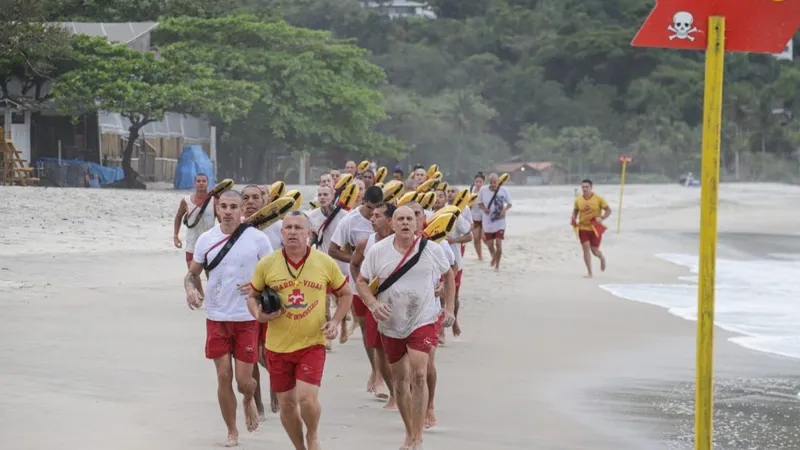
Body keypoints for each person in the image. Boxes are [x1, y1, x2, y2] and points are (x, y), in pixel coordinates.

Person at [248, 211, 353, 450]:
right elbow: (253, 296)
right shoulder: (267, 264)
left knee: (306, 399)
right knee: (286, 404)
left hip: (312, 342)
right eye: (288, 228)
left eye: (298, 228)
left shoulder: (324, 262)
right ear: (282, 233)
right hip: (277, 346)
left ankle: (313, 434)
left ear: (309, 233)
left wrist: (336, 321)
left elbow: (345, 293)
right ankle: (300, 447)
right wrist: (258, 314)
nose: (293, 232)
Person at [356, 205, 455, 450]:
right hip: (391, 323)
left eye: (410, 219)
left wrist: (450, 308)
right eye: (400, 219)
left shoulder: (431, 249)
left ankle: (418, 437)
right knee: (401, 381)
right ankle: (409, 432)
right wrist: (372, 303)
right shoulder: (378, 251)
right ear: (392, 224)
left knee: (419, 373)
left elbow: (449, 275)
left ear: (418, 223)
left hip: (423, 319)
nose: (405, 223)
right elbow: (362, 280)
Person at [183, 190, 274, 447]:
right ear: (217, 208)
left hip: (246, 317)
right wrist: (191, 289)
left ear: (242, 209)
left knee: (244, 382)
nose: (228, 211)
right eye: (223, 206)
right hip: (216, 316)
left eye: (234, 206)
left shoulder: (257, 239)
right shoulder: (205, 239)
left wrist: (258, 287)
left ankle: (248, 400)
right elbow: (192, 274)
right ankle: (232, 431)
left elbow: (273, 277)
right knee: (223, 375)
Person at [328, 186, 388, 397]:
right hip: (358, 282)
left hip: (385, 283)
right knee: (366, 329)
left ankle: (382, 375)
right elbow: (333, 250)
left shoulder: (387, 217)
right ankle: (375, 369)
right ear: (363, 201)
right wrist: (358, 261)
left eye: (378, 209)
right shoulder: (350, 221)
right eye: (371, 209)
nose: (374, 214)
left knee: (383, 329)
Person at [406, 200, 456, 429]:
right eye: (406, 215)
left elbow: (450, 274)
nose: (412, 219)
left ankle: (429, 406)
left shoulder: (437, 246)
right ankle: (413, 404)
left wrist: (447, 304)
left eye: (417, 214)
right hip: (400, 315)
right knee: (406, 368)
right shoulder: (389, 246)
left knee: (426, 365)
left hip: (429, 313)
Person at [349, 203, 398, 410]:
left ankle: (406, 387)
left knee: (398, 350)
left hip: (400, 304)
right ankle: (393, 393)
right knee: (377, 348)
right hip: (375, 303)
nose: (372, 218)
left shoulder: (404, 242)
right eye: (372, 215)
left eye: (377, 216)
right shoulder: (365, 243)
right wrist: (364, 291)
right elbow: (354, 264)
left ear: (389, 220)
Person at [241, 185, 280, 418]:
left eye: (257, 197)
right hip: (243, 302)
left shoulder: (280, 227)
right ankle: (257, 405)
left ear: (267, 200)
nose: (251, 202)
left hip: (271, 298)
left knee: (270, 353)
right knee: (250, 355)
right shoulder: (235, 227)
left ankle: (276, 387)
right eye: (246, 198)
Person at [307, 185, 351, 347]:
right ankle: (327, 335)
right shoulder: (312, 216)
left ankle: (344, 325)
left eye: (326, 194)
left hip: (339, 263)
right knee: (323, 299)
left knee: (340, 297)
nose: (322, 197)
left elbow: (348, 240)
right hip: (321, 261)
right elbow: (311, 237)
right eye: (320, 194)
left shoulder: (344, 216)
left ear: (333, 196)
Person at [438, 188, 472, 337]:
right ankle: (440, 331)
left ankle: (454, 320)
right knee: (439, 296)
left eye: (441, 196)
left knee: (454, 296)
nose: (438, 199)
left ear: (446, 199)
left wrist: (454, 240)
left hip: (454, 262)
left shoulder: (454, 215)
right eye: (435, 196)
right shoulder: (426, 215)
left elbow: (469, 236)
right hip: (436, 264)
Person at [173, 173, 216, 269]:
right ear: (194, 183)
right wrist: (176, 236)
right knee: (192, 275)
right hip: (192, 244)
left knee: (210, 275)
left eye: (204, 181)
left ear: (207, 183)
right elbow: (178, 217)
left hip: (210, 244)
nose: (201, 183)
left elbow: (223, 221)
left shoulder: (215, 200)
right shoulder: (186, 201)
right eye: (198, 181)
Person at [571, 179, 611, 278]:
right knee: (585, 248)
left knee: (594, 250)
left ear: (591, 187)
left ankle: (601, 258)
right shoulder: (578, 200)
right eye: (583, 187)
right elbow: (575, 211)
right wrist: (573, 219)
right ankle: (590, 272)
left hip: (595, 228)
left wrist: (602, 218)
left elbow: (608, 210)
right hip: (583, 228)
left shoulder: (598, 199)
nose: (584, 189)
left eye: (586, 187)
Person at [478, 173, 512, 271]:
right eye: (491, 182)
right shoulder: (483, 190)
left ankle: (497, 264)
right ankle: (494, 257)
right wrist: (484, 209)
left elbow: (509, 204)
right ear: (489, 182)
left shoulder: (503, 190)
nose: (493, 184)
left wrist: (504, 211)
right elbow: (479, 203)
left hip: (500, 222)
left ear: (498, 181)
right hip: (487, 222)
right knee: (489, 245)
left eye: (495, 182)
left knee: (498, 244)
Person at [469, 172, 485, 260]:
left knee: (484, 238)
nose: (478, 184)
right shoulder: (471, 189)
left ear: (483, 183)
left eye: (480, 182)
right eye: (477, 181)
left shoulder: (485, 191)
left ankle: (493, 252)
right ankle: (480, 256)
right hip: (474, 217)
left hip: (484, 217)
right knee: (476, 238)